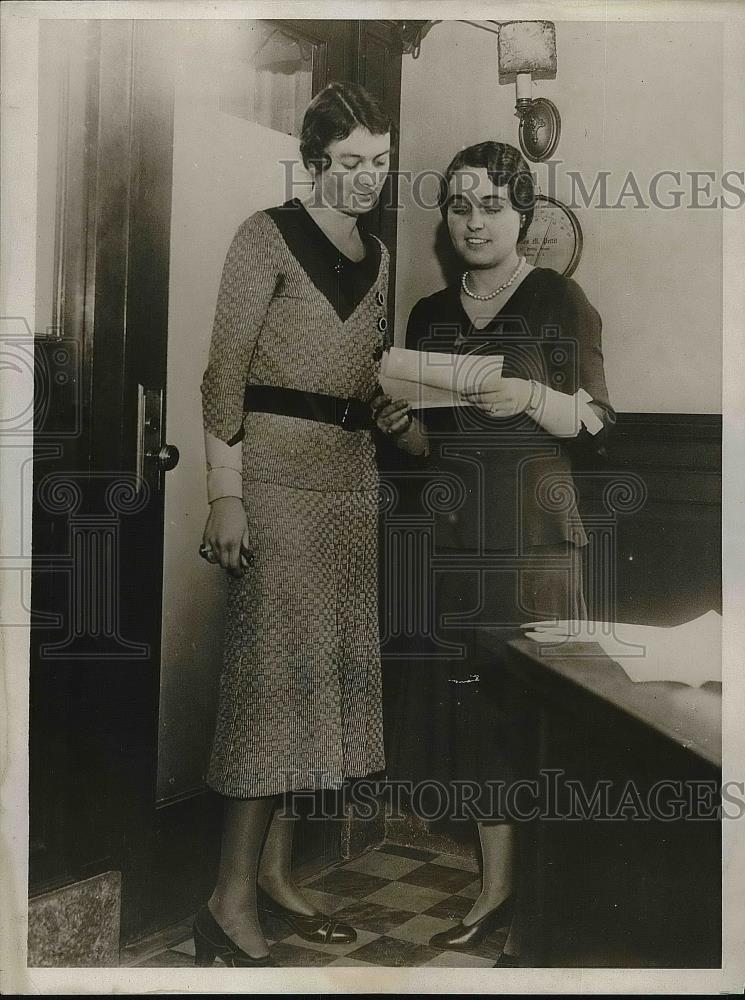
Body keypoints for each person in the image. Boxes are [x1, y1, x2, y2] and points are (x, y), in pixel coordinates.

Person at [195, 81, 424, 968]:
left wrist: (397, 412)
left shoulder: (375, 254)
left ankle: (277, 879)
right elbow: (223, 373)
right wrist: (226, 491)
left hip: (351, 480)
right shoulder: (264, 235)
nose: (369, 178)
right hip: (276, 479)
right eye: (352, 162)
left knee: (316, 684)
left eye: (381, 162)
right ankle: (224, 897)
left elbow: (365, 379)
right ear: (315, 160)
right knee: (272, 692)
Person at [385, 140, 615, 966]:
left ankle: (550, 905)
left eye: (491, 205)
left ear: (523, 214)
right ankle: (495, 892)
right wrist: (401, 429)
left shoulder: (557, 299)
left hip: (532, 538)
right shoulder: (427, 315)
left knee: (538, 717)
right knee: (477, 718)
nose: (474, 221)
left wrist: (529, 394)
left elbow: (592, 422)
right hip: (455, 538)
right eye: (459, 206)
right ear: (445, 220)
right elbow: (425, 442)